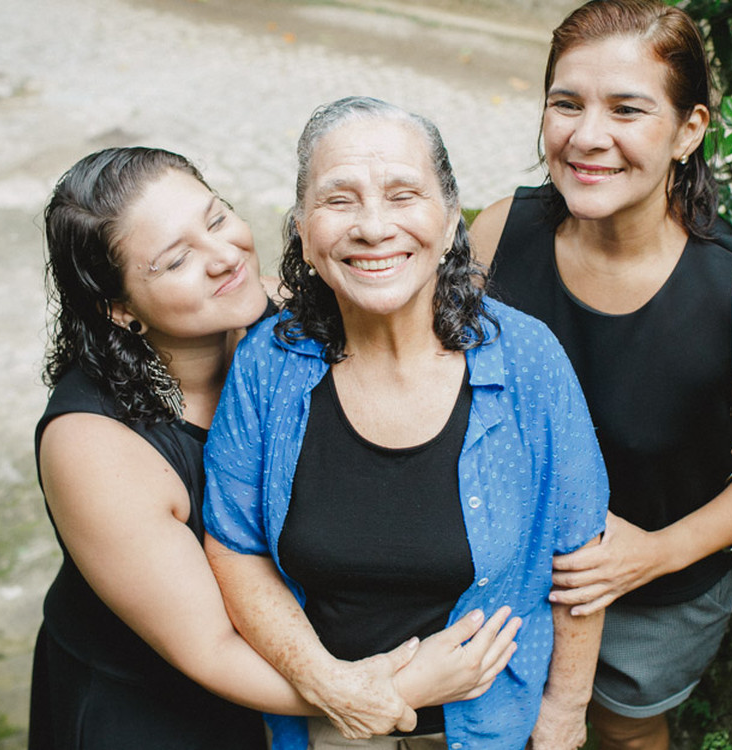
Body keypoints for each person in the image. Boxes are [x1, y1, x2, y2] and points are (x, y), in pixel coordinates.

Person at [30, 146, 520, 749]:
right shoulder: (92, 448)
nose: (224, 257)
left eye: (216, 218)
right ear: (120, 308)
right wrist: (394, 688)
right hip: (150, 705)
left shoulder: (270, 310)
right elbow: (209, 648)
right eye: (177, 259)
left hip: (279, 677)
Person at [470, 2, 732, 748]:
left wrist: (656, 554)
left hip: (655, 593)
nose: (586, 135)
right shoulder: (499, 233)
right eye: (566, 103)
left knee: (625, 732)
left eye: (627, 109)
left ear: (689, 129)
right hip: (503, 557)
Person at [203, 96, 610, 750]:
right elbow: (234, 545)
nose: (372, 227)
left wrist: (566, 710)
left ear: (450, 221)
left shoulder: (528, 360)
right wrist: (336, 687)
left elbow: (579, 551)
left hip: (489, 727)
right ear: (304, 232)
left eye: (403, 194)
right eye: (339, 200)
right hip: (322, 726)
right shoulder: (268, 363)